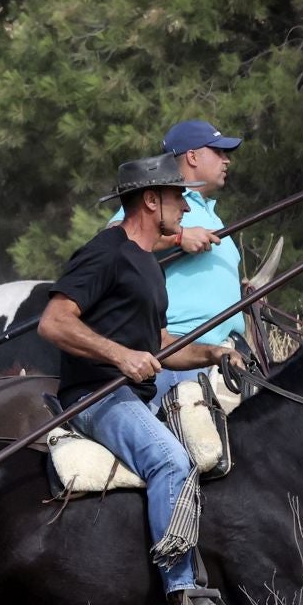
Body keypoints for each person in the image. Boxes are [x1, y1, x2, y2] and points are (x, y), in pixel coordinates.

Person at [40, 154, 244, 605]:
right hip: (97, 396)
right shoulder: (106, 252)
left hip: (134, 396)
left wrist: (212, 352)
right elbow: (55, 321)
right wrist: (119, 355)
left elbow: (157, 345)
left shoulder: (147, 266)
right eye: (177, 199)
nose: (184, 209)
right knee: (172, 462)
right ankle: (183, 597)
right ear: (151, 201)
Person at [110, 118, 247, 405]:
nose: (227, 161)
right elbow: (113, 240)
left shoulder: (209, 212)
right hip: (179, 356)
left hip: (223, 356)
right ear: (193, 156)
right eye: (219, 151)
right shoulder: (160, 204)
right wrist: (178, 238)